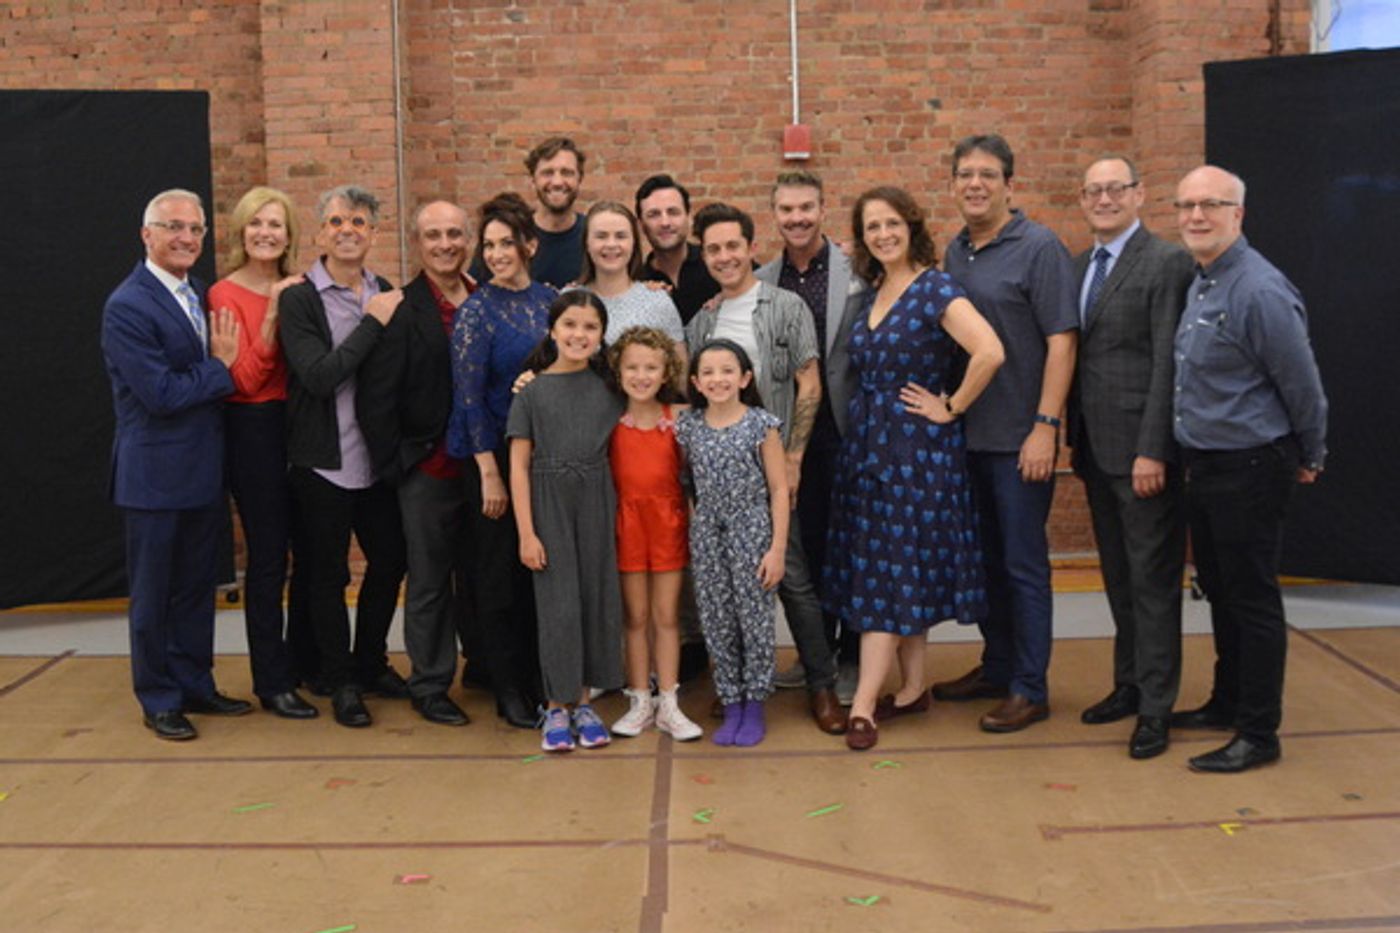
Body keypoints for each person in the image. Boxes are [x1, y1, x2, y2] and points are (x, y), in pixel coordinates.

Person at [826, 187, 1004, 752]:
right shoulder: (877, 289)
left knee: (885, 574)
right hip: (869, 449)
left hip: (915, 453)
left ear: (911, 226)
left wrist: (950, 406)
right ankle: (913, 689)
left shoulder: (934, 287)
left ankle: (861, 707)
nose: (883, 234)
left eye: (892, 223)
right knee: (900, 571)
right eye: (872, 226)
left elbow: (990, 351)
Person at [1169, 165, 1328, 774]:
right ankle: (1227, 702)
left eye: (1210, 205)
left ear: (1239, 214)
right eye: (1186, 206)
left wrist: (1310, 453)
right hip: (1206, 468)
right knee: (1223, 595)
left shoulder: (1259, 290)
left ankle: (1259, 732)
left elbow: (1303, 386)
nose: (1196, 216)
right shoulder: (1202, 281)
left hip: (1252, 466)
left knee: (1253, 600)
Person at [934, 134, 1079, 733]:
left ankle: (1030, 686)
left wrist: (1045, 425)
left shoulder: (1040, 247)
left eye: (987, 175)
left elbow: (1062, 340)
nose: (975, 183)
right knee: (985, 563)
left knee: (1023, 565)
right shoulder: (956, 251)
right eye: (965, 174)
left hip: (1021, 439)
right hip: (969, 437)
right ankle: (997, 665)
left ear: (1009, 184)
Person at [685, 202, 845, 736]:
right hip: (721, 479)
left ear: (751, 247)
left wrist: (793, 456)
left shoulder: (786, 306)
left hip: (774, 471)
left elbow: (810, 382)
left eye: (733, 245)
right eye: (713, 248)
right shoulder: (702, 321)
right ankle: (733, 688)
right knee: (726, 589)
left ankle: (822, 685)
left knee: (793, 578)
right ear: (703, 255)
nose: (725, 256)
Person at [101, 188, 251, 740]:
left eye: (195, 229)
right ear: (147, 235)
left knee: (194, 589)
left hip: (201, 473)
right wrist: (222, 369)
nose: (186, 237)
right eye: (173, 227)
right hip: (154, 479)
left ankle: (195, 685)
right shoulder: (128, 305)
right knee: (155, 593)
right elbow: (161, 393)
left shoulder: (198, 294)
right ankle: (159, 698)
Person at [1068, 157, 1194, 760]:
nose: (1104, 199)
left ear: (1140, 195)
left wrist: (1154, 448)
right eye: (1093, 191)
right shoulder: (1079, 267)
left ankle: (1156, 709)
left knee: (1153, 583)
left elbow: (1169, 362)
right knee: (1118, 578)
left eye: (1115, 189)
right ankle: (1129, 683)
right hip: (1095, 450)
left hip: (1141, 455)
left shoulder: (1166, 263)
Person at [279, 184, 409, 729]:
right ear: (320, 233)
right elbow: (318, 376)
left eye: (358, 221)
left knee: (390, 561)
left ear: (374, 233)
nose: (347, 230)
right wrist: (373, 321)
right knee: (328, 575)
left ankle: (370, 660)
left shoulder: (388, 292)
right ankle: (341, 680)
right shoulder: (300, 298)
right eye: (336, 222)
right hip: (321, 463)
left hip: (376, 462)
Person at [357, 200, 479, 727]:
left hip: (484, 471)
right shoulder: (398, 308)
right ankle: (429, 684)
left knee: (481, 578)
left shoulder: (485, 300)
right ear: (417, 243)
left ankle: (487, 668)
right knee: (428, 583)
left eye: (454, 233)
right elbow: (375, 400)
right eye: (434, 235)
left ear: (468, 240)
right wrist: (399, 468)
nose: (445, 243)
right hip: (427, 472)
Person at [207, 186, 318, 720]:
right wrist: (274, 315)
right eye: (256, 224)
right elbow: (244, 382)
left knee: (309, 554)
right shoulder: (224, 295)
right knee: (270, 559)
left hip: (299, 428)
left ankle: (301, 664)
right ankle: (271, 681)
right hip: (253, 429)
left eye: (275, 224)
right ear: (241, 233)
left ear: (289, 233)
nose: (266, 233)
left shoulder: (301, 286)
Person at [448, 191, 555, 729]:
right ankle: (507, 685)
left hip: (542, 462)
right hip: (491, 463)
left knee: (536, 573)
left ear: (529, 245)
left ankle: (540, 679)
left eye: (505, 243)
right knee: (496, 578)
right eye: (487, 245)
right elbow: (468, 398)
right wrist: (489, 474)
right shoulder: (476, 313)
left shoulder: (549, 301)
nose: (494, 254)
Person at [756, 170, 862, 705]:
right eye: (786, 209)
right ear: (773, 215)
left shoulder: (856, 268)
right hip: (790, 438)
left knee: (851, 546)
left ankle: (853, 658)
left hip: (849, 431)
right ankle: (816, 652)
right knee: (809, 544)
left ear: (824, 208)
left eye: (806, 207)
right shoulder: (764, 278)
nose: (796, 218)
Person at [507, 291, 625, 752]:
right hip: (549, 502)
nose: (579, 334)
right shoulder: (531, 392)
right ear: (553, 329)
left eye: (590, 327)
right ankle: (556, 706)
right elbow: (518, 464)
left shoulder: (609, 388)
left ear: (601, 335)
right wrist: (526, 532)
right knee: (558, 606)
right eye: (570, 325)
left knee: (596, 599)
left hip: (597, 499)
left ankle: (584, 700)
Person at [675, 340, 789, 746]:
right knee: (718, 620)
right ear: (696, 381)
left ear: (744, 378)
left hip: (753, 531)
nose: (718, 379)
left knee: (753, 620)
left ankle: (754, 704)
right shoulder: (687, 426)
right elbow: (687, 482)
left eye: (727, 371)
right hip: (708, 535)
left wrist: (776, 550)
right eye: (708, 372)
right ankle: (731, 701)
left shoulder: (761, 424)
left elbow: (778, 489)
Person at [606, 327, 703, 741]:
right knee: (636, 616)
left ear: (666, 372)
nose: (641, 375)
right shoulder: (609, 420)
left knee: (666, 616)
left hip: (668, 523)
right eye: (632, 367)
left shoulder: (678, 420)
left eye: (650, 367)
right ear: (618, 370)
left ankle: (669, 701)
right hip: (626, 523)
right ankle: (639, 700)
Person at [573, 200, 686, 361]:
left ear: (633, 243)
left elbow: (679, 373)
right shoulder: (569, 300)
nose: (611, 244)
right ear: (587, 243)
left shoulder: (657, 302)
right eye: (601, 236)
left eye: (620, 236)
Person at [636, 174, 720, 324]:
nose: (665, 222)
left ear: (688, 217)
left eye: (673, 212)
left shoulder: (718, 263)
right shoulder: (637, 284)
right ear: (641, 224)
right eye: (654, 214)